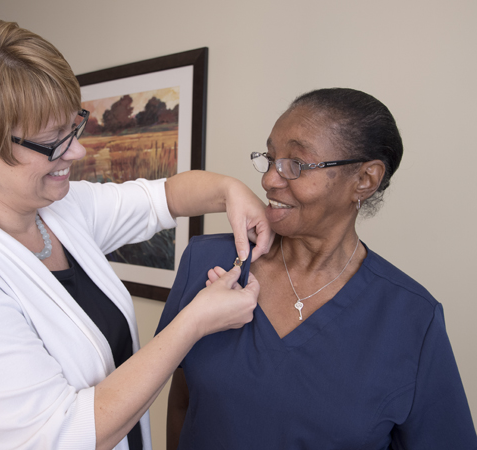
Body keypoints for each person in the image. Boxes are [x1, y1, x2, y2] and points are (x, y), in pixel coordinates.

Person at [0, 19, 272, 450]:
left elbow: (163, 197)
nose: (78, 151)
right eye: (52, 141)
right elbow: (58, 437)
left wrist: (229, 191)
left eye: (74, 127)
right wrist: (194, 322)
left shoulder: (59, 208)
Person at [157, 88, 477, 449]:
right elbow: (183, 402)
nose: (269, 180)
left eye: (296, 164)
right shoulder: (207, 262)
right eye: (271, 157)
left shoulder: (413, 319)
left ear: (365, 180)